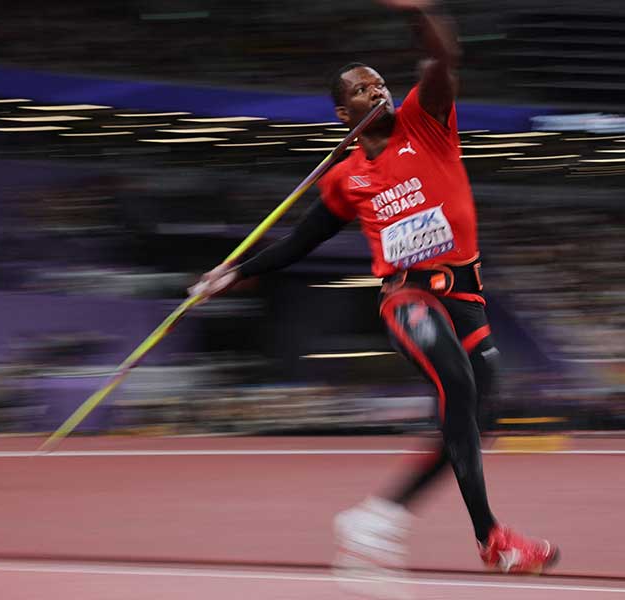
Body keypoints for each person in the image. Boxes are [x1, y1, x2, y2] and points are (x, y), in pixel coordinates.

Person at [189, 0, 559, 575]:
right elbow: (299, 242)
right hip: (408, 297)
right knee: (458, 391)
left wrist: (421, 12)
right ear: (343, 113)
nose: (378, 91)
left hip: (466, 296)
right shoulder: (346, 178)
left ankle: (377, 517)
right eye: (363, 90)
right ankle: (493, 539)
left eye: (380, 82)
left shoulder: (425, 119)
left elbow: (443, 56)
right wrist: (232, 274)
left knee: (472, 423)